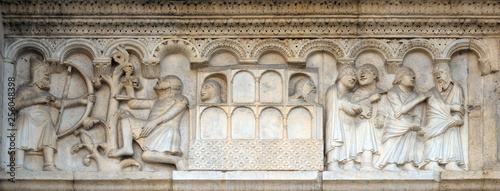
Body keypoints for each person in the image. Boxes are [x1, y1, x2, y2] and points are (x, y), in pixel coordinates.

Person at [15, 57, 93, 171]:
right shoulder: (24, 89)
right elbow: (15, 105)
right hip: (27, 118)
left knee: (48, 122)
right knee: (23, 119)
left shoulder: (46, 93)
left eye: (48, 73)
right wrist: (35, 101)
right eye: (44, 72)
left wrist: (80, 101)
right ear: (36, 74)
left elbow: (60, 103)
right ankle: (18, 165)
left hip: (44, 120)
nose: (47, 75)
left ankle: (49, 164)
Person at [109, 75, 188, 170]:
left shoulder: (180, 99)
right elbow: (133, 104)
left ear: (171, 85)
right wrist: (129, 87)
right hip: (149, 127)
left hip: (165, 130)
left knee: (146, 156)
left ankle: (177, 160)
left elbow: (171, 113)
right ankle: (127, 148)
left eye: (164, 80)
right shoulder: (156, 102)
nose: (159, 79)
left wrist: (155, 122)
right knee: (125, 118)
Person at [376, 67, 429, 171]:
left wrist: (416, 124)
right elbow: (399, 112)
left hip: (410, 126)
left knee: (411, 135)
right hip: (395, 124)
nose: (413, 77)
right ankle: (390, 163)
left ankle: (407, 163)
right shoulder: (393, 92)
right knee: (396, 137)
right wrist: (419, 99)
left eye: (413, 75)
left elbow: (418, 116)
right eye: (409, 74)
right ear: (400, 78)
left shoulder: (415, 95)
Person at [420, 63, 465, 171]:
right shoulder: (433, 91)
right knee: (435, 135)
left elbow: (459, 106)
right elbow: (428, 108)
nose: (438, 76)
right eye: (436, 74)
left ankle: (451, 163)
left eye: (442, 72)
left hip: (451, 121)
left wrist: (456, 116)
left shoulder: (456, 88)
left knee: (452, 131)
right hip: (433, 121)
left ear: (448, 74)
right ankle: (431, 162)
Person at [348, 64, 385, 171]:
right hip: (361, 125)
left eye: (366, 71)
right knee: (366, 125)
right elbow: (352, 106)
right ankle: (367, 163)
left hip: (381, 126)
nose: (362, 74)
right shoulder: (357, 93)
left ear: (374, 75)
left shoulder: (382, 92)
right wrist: (369, 100)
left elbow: (385, 107)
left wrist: (381, 115)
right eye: (359, 73)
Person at [325, 66, 363, 171]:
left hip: (351, 125)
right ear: (341, 76)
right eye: (350, 74)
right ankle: (334, 163)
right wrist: (347, 105)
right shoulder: (333, 90)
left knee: (351, 139)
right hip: (336, 124)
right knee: (336, 138)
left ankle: (349, 162)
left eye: (355, 76)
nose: (354, 78)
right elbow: (335, 107)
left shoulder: (353, 94)